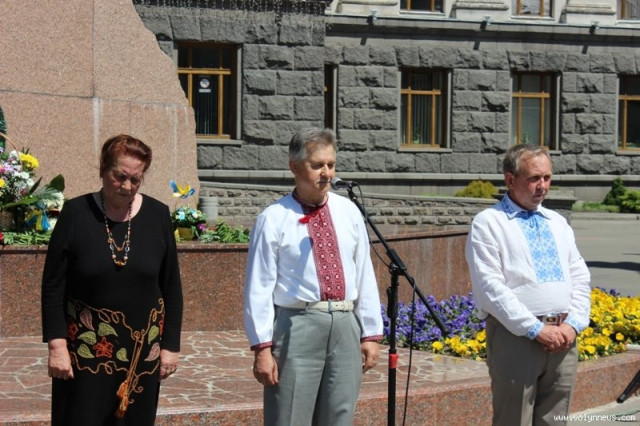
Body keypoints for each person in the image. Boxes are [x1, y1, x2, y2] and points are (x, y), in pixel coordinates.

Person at [243, 127, 383, 425]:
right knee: (289, 416)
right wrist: (262, 348)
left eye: (331, 164)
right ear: (294, 167)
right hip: (298, 325)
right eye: (317, 165)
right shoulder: (274, 218)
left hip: (344, 325)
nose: (327, 173)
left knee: (339, 415)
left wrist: (370, 332)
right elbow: (259, 287)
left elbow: (364, 273)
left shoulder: (349, 211)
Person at [41, 134, 183, 425]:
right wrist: (57, 346)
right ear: (103, 169)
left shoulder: (158, 215)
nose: (127, 186)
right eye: (120, 176)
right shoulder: (75, 214)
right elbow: (53, 285)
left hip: (140, 354)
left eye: (136, 179)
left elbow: (171, 287)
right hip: (85, 351)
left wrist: (170, 346)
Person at [465, 144, 591, 426]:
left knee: (555, 419)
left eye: (547, 177)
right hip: (516, 338)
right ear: (510, 180)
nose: (542, 186)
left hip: (563, 338)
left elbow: (580, 277)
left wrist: (574, 324)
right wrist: (535, 329)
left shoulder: (557, 222)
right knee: (514, 419)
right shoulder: (489, 223)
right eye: (534, 178)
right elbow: (490, 287)